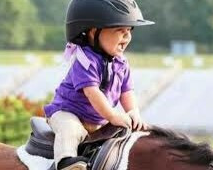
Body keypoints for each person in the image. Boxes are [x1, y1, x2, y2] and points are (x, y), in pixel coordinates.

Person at [44, 0, 155, 169]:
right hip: (68, 113)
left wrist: (133, 113)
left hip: (97, 119)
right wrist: (112, 116)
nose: (126, 36)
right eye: (120, 30)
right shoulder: (84, 60)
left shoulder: (121, 63)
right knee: (71, 129)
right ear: (93, 32)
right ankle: (66, 162)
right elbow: (92, 92)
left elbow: (127, 91)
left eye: (129, 30)